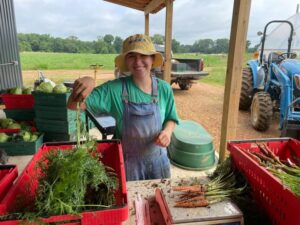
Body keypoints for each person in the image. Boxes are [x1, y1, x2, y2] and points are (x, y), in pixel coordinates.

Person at [67, 34, 179, 181]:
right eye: (132, 56)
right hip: (128, 166)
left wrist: (167, 132)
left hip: (159, 163)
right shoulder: (114, 89)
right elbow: (73, 105)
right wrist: (88, 82)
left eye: (143, 55)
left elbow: (171, 118)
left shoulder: (164, 88)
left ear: (152, 59)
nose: (138, 61)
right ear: (126, 61)